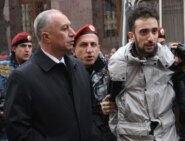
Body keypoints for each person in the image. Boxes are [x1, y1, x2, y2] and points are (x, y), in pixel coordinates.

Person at [104, 4, 185, 141]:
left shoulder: (169, 58)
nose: (151, 38)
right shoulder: (118, 62)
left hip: (167, 136)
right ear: (131, 36)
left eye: (154, 31)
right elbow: (110, 99)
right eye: (144, 32)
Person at [4, 9, 92, 141]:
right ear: (46, 37)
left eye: (70, 27)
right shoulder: (22, 77)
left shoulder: (78, 67)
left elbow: (94, 110)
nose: (73, 33)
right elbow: (18, 131)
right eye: (64, 28)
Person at [73, 24, 116, 141]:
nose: (89, 50)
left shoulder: (112, 72)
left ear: (99, 48)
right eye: (83, 45)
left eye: (93, 44)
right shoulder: (66, 74)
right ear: (74, 49)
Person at [0, 32, 33, 141]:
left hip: (27, 122)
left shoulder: (35, 68)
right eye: (23, 46)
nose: (27, 49)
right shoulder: (2, 67)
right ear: (14, 48)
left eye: (29, 46)